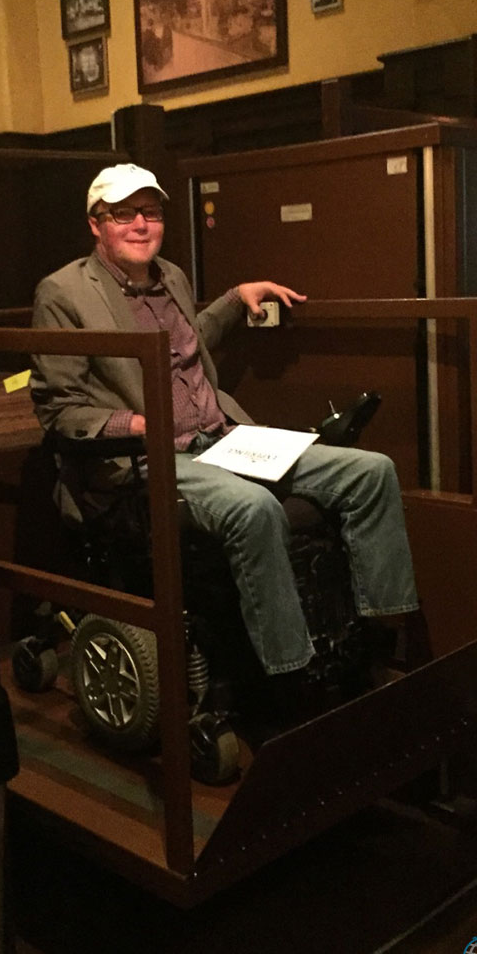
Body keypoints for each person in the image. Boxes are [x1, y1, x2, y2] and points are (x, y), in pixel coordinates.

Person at [29, 163, 427, 682]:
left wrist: (238, 296)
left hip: (223, 439)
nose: (141, 225)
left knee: (371, 471)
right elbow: (60, 410)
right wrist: (136, 424)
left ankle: (375, 636)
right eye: (124, 214)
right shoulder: (63, 293)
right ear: (96, 223)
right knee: (255, 507)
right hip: (148, 459)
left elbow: (187, 342)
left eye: (150, 212)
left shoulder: (170, 276)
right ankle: (291, 671)